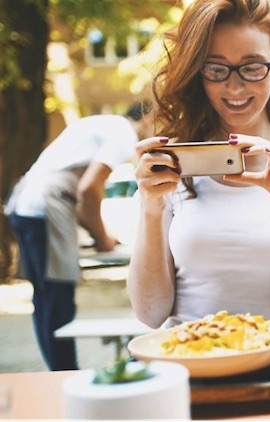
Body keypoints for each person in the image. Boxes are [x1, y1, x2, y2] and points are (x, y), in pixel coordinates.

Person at [127, 0, 270, 330]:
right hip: (189, 363)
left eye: (253, 67)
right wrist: (151, 207)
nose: (235, 86)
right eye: (216, 69)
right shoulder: (171, 170)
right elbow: (150, 313)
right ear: (199, 74)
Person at [4, 102, 154, 370]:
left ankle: (59, 372)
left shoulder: (101, 123)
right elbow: (88, 190)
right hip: (46, 207)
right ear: (148, 115)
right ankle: (64, 374)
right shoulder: (123, 133)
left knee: (45, 300)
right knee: (58, 300)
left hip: (24, 205)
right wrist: (103, 241)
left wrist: (102, 235)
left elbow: (84, 202)